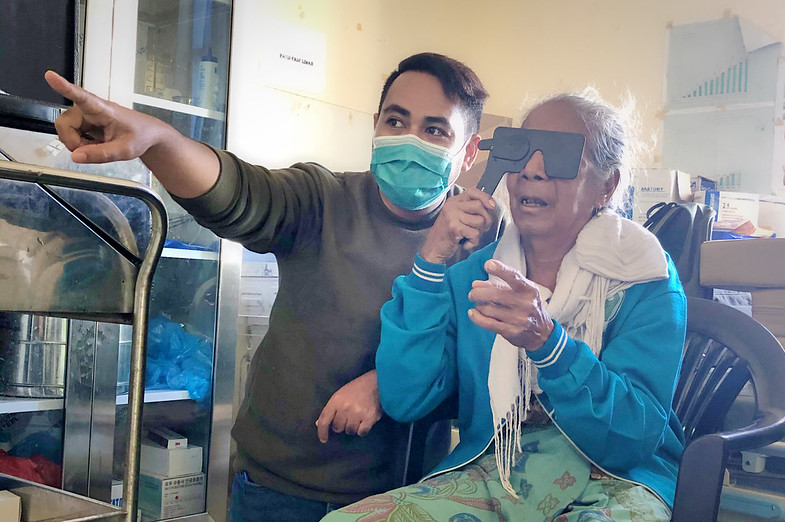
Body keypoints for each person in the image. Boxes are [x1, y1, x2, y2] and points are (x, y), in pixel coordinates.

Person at [44, 52, 508, 521]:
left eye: (435, 130)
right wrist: (159, 141)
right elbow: (240, 194)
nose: (410, 140)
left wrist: (386, 388)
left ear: (469, 151)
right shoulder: (322, 200)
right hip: (279, 490)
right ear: (376, 125)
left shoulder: (477, 242)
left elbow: (483, 381)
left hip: (402, 498)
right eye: (396, 120)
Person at [324, 89, 687, 521]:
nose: (532, 171)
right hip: (497, 472)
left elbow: (634, 438)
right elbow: (406, 399)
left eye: (558, 156)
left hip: (617, 480)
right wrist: (430, 261)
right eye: (522, 152)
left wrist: (551, 346)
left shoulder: (644, 278)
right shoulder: (477, 276)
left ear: (605, 186)